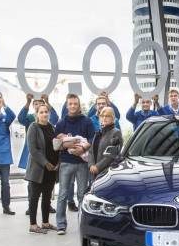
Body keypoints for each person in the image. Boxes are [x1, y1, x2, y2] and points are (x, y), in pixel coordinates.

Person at [54, 93, 95, 235]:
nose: (72, 106)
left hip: (82, 164)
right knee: (63, 195)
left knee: (82, 195)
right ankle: (60, 225)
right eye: (70, 104)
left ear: (79, 105)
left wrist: (82, 148)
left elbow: (91, 139)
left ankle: (83, 225)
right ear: (67, 105)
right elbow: (56, 144)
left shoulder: (87, 121)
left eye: (75, 104)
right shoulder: (61, 123)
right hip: (66, 162)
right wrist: (68, 144)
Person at [17, 93, 58, 215]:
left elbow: (55, 118)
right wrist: (27, 102)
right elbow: (20, 118)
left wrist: (48, 102)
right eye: (35, 103)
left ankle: (47, 204)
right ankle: (31, 206)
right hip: (33, 155)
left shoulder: (49, 122)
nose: (37, 105)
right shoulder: (30, 118)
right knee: (33, 182)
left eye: (41, 103)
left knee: (47, 183)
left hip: (48, 155)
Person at [24, 104, 59, 234]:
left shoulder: (52, 128)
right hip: (38, 169)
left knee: (47, 198)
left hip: (51, 169)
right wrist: (45, 163)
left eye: (46, 112)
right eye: (41, 112)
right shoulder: (33, 127)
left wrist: (57, 163)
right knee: (34, 197)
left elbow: (56, 146)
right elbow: (33, 150)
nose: (44, 114)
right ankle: (33, 225)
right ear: (37, 114)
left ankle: (45, 223)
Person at [89, 107, 124, 182]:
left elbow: (112, 155)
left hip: (108, 174)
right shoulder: (98, 133)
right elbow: (91, 151)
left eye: (107, 116)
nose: (104, 118)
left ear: (113, 118)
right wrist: (91, 165)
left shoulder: (116, 133)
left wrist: (97, 167)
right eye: (102, 116)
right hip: (94, 173)